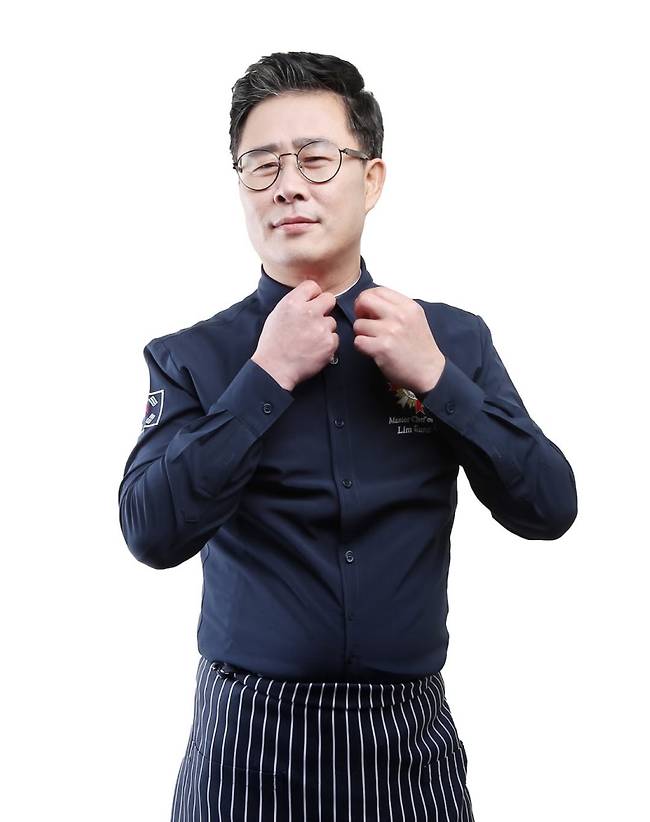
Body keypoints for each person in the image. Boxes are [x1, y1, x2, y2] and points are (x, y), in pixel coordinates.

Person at [118, 51, 577, 822]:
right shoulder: (191, 357)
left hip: (408, 742)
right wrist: (265, 377)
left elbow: (550, 508)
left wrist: (439, 381)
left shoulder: (450, 340)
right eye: (261, 164)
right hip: (246, 743)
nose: (287, 185)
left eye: (315, 158)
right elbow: (151, 532)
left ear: (371, 180)